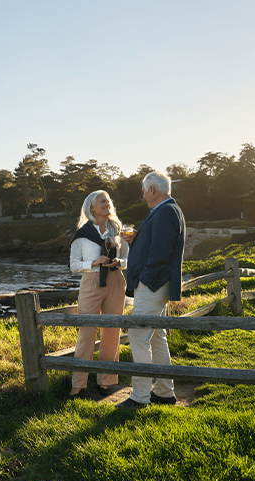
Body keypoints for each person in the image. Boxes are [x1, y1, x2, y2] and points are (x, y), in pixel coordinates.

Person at [117, 171, 186, 408]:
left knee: (137, 334)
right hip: (157, 283)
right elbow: (155, 245)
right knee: (157, 337)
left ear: (153, 190)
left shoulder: (166, 211)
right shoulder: (165, 210)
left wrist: (144, 280)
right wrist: (137, 239)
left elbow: (160, 253)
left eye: (144, 191)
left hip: (153, 284)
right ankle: (165, 392)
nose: (143, 195)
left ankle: (140, 396)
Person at [69, 190, 129, 397]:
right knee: (86, 332)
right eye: (102, 201)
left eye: (108, 200)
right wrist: (93, 262)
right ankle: (78, 383)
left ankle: (107, 380)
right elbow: (74, 265)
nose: (107, 203)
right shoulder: (82, 234)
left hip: (116, 281)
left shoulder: (118, 230)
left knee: (112, 331)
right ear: (91, 207)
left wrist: (119, 262)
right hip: (91, 282)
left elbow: (129, 259)